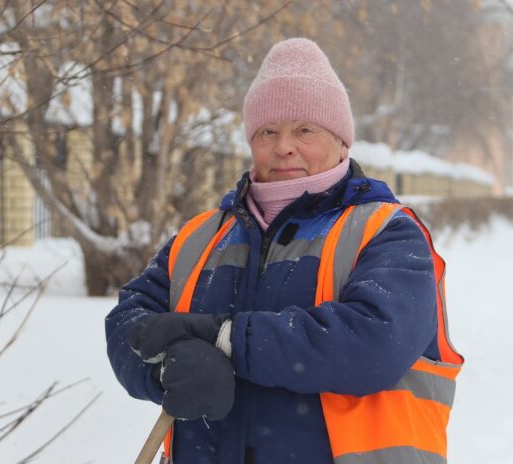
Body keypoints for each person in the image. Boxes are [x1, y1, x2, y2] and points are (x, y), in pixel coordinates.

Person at [106, 38, 463, 464]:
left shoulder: (388, 233)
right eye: (267, 131)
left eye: (305, 130)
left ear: (342, 141)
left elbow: (373, 345)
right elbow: (129, 321)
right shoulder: (199, 238)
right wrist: (167, 369)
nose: (284, 146)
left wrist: (226, 339)